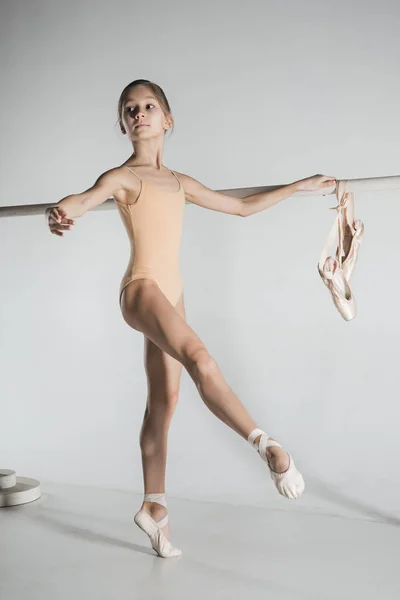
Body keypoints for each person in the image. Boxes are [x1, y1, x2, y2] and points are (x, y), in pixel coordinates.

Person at [46, 79, 336, 558]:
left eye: (149, 106)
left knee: (166, 399)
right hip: (141, 290)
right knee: (200, 356)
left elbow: (242, 207)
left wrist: (299, 186)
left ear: (167, 119)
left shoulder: (181, 182)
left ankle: (153, 506)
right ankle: (268, 447)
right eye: (130, 108)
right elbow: (81, 199)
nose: (140, 113)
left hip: (173, 293)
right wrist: (60, 212)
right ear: (123, 124)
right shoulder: (122, 177)